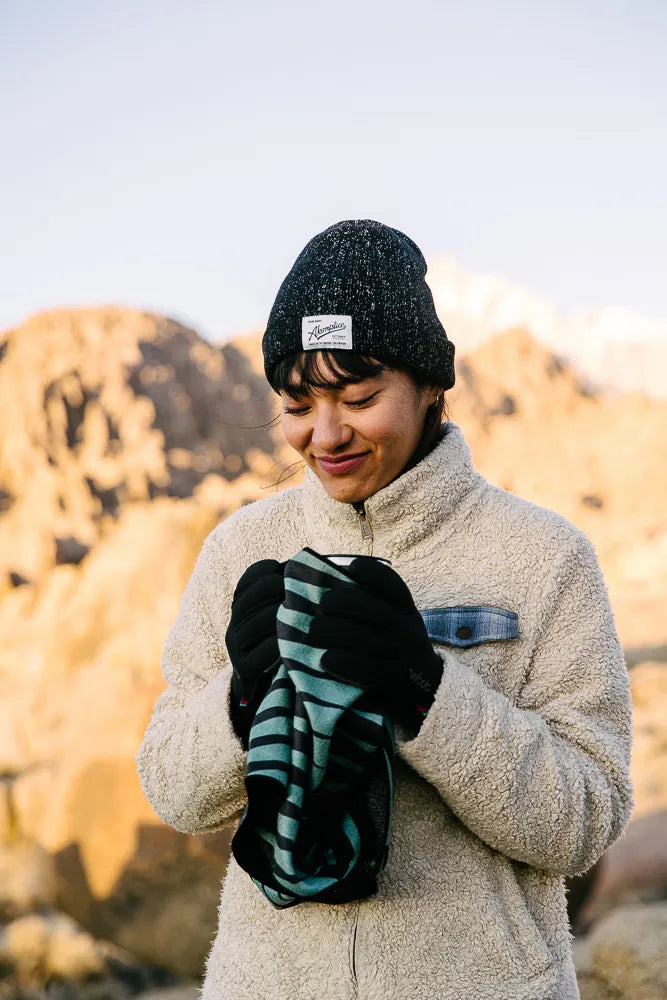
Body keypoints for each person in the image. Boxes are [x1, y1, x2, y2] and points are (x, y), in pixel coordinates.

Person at [136, 220, 633, 1000]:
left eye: (359, 398)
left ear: (430, 384)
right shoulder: (239, 551)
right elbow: (173, 790)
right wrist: (239, 700)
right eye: (297, 404)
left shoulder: (542, 557)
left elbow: (582, 824)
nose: (324, 434)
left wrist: (424, 692)